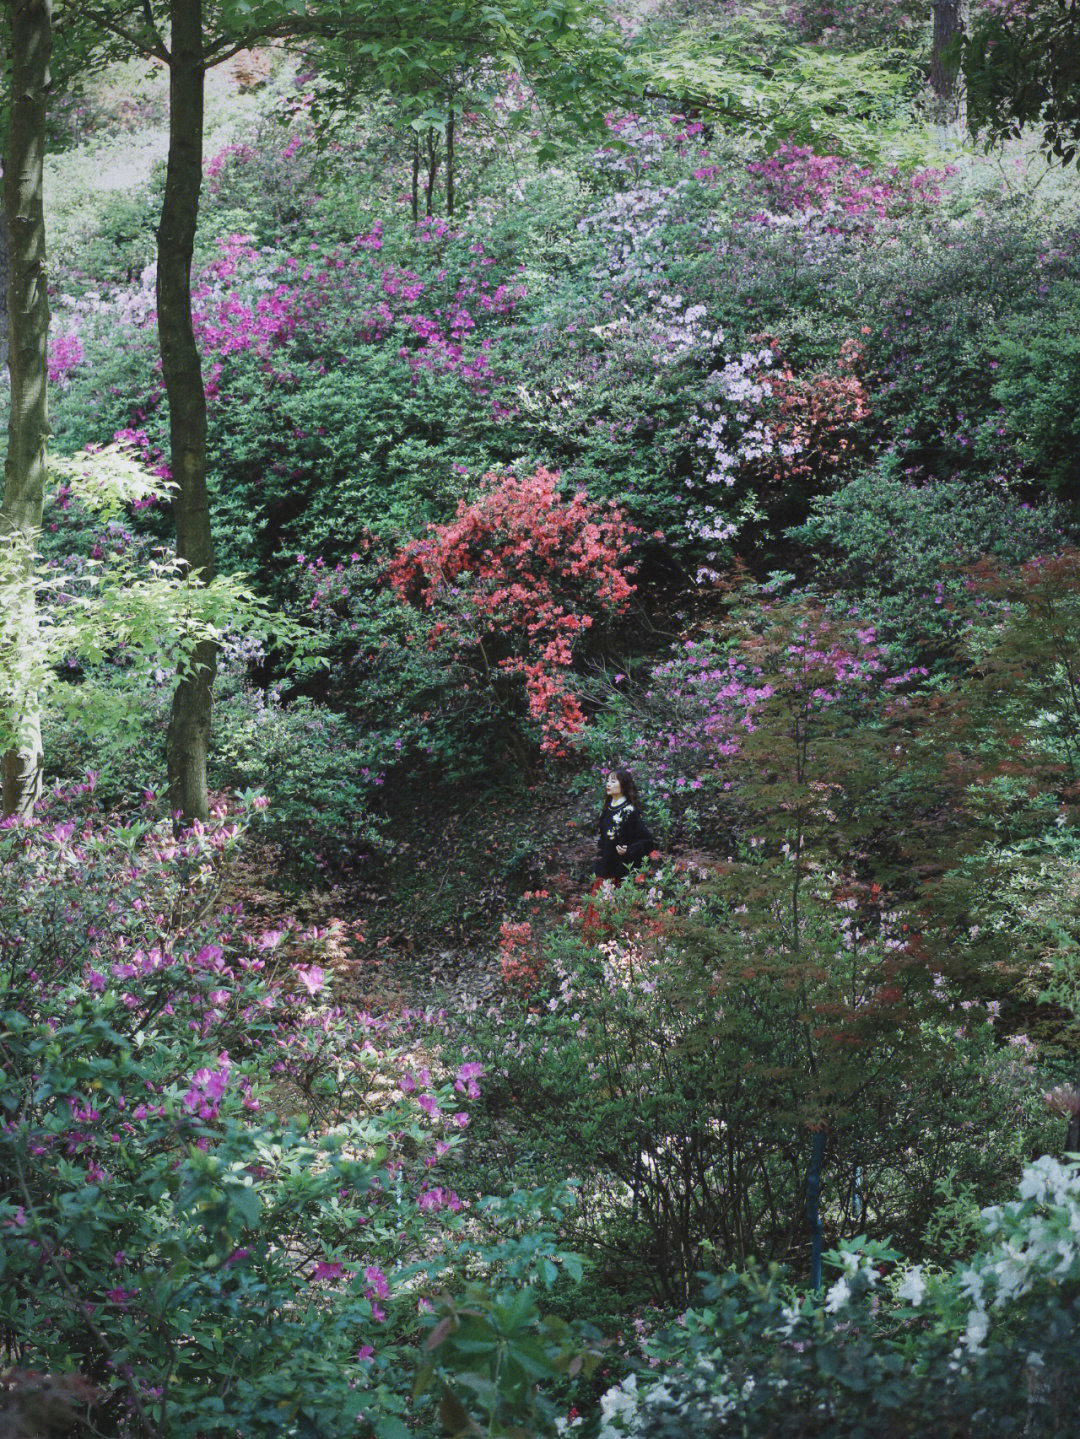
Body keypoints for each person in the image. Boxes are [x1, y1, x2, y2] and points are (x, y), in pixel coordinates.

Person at [595, 768, 656, 882]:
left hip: (623, 869)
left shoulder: (630, 812)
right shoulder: (606, 811)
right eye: (608, 781)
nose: (609, 784)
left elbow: (646, 841)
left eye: (613, 782)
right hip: (605, 867)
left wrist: (629, 850)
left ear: (623, 785)